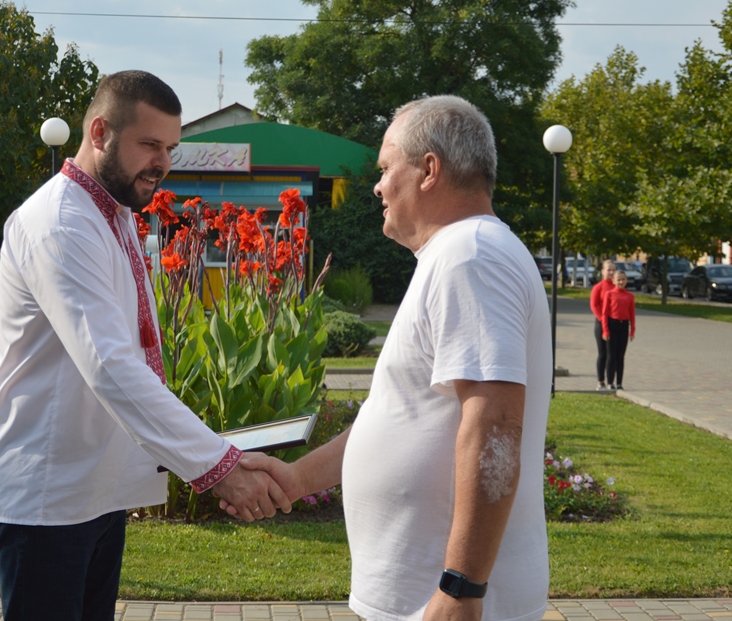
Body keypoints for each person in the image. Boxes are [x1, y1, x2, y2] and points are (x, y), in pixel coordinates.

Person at [0, 70, 291, 621]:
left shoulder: (112, 213)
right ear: (99, 131)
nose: (163, 162)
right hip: (48, 491)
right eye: (149, 144)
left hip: (94, 487)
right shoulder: (62, 223)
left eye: (170, 147)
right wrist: (220, 467)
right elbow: (110, 365)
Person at [230, 96, 553, 621]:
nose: (377, 186)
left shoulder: (470, 256)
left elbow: (494, 425)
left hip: (443, 598)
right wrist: (296, 481)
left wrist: (461, 587)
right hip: (421, 593)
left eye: (385, 168)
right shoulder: (457, 254)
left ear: (429, 170)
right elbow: (404, 417)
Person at [600, 269, 636, 391]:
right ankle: (610, 382)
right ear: (614, 281)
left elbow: (632, 314)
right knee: (611, 356)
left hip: (624, 326)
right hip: (612, 325)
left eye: (623, 279)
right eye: (618, 279)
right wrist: (605, 330)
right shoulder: (609, 294)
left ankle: (619, 382)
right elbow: (604, 313)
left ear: (626, 281)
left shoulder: (629, 296)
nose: (621, 282)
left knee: (620, 356)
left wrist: (632, 331)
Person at [589, 260, 617, 390]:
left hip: (615, 323)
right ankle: (600, 380)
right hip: (601, 324)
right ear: (602, 271)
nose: (611, 273)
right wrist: (602, 319)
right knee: (603, 353)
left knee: (613, 353)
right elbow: (594, 306)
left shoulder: (616, 287)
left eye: (613, 270)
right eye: (608, 270)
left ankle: (611, 381)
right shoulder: (598, 287)